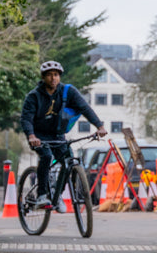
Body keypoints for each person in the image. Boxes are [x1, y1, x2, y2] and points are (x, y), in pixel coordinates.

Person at [20, 60, 107, 209]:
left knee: (69, 162)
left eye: (56, 75)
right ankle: (41, 195)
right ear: (43, 77)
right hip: (39, 136)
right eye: (49, 75)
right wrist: (31, 135)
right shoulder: (34, 96)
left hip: (58, 135)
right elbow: (26, 118)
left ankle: (57, 195)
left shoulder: (68, 91)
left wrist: (99, 125)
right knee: (46, 156)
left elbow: (85, 108)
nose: (53, 78)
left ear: (59, 76)